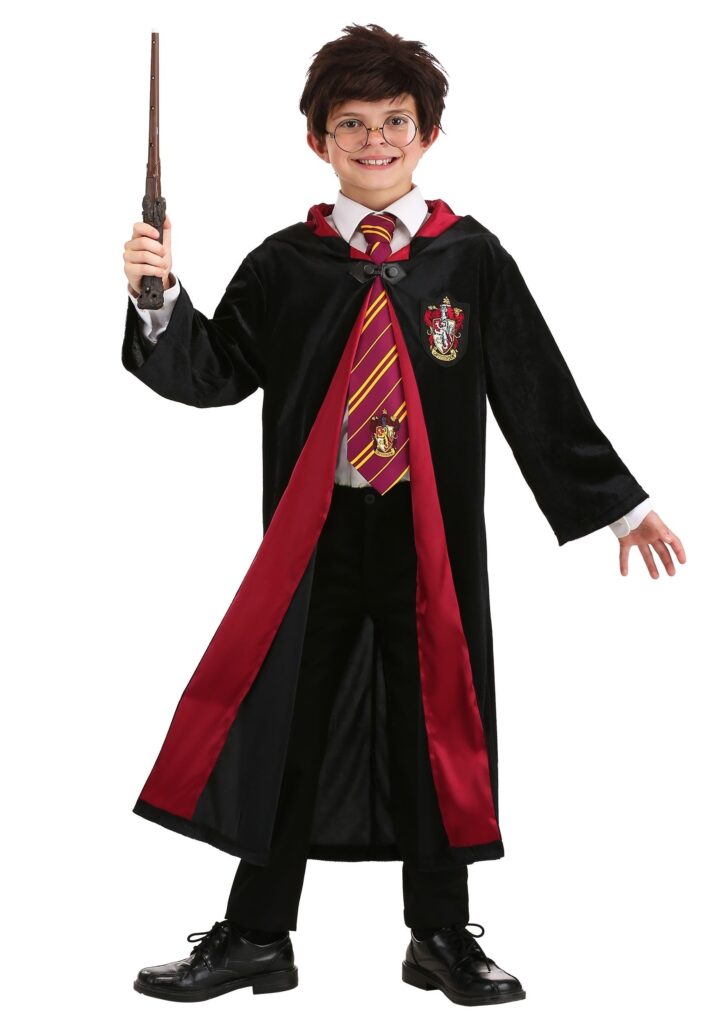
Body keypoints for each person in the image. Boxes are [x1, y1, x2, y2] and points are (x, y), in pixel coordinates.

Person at [121, 22, 685, 1008]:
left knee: (439, 722)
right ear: (317, 140)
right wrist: (158, 299)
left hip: (429, 537)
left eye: (394, 121)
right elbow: (213, 374)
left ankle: (440, 934)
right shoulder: (287, 264)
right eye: (351, 124)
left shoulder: (468, 259)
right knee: (287, 717)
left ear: (428, 133)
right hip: (314, 537)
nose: (374, 140)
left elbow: (534, 388)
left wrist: (617, 505)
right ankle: (256, 935)